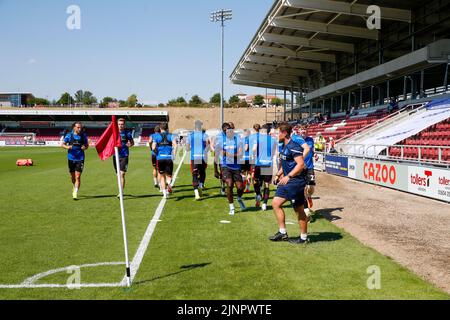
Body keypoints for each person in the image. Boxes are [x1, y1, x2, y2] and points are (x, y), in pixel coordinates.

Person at [270, 123, 309, 244]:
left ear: (285, 133)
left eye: (278, 133)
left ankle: (297, 236)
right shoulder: (284, 146)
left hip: (295, 182)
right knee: (282, 205)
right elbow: (287, 164)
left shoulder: (294, 146)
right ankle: (288, 234)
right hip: (288, 180)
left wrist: (289, 176)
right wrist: (278, 174)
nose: (276, 135)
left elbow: (300, 164)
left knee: (292, 208)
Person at [214, 122, 246, 215]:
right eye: (225, 130)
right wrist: (215, 170)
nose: (227, 131)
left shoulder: (237, 139)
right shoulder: (220, 140)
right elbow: (216, 156)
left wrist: (228, 154)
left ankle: (239, 198)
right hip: (225, 166)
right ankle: (231, 207)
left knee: (240, 187)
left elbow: (240, 154)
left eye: (229, 130)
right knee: (229, 183)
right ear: (223, 131)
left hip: (236, 167)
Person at [250, 124, 277, 211]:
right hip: (268, 164)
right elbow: (274, 153)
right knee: (266, 185)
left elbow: (254, 149)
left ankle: (258, 194)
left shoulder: (257, 139)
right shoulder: (273, 140)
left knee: (255, 180)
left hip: (259, 163)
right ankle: (264, 204)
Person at [61, 122, 89, 200]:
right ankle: (74, 186)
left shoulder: (83, 135)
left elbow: (87, 145)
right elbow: (62, 144)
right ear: (74, 127)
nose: (79, 129)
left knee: (78, 176)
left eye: (80, 127)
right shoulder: (69, 135)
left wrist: (85, 147)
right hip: (71, 158)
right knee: (72, 176)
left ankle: (75, 192)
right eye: (78, 127)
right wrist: (67, 147)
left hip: (80, 158)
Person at [294, 126, 317, 219]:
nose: (303, 131)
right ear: (299, 132)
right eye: (301, 130)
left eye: (304, 130)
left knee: (311, 187)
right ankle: (306, 211)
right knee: (303, 188)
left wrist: (315, 154)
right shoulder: (296, 141)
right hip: (301, 167)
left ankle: (309, 196)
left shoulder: (310, 140)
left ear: (306, 131)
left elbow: (312, 150)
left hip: (310, 167)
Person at [152, 123, 177, 199]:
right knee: (169, 175)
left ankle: (164, 193)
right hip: (169, 158)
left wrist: (157, 153)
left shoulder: (156, 136)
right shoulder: (171, 135)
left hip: (160, 158)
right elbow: (175, 145)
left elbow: (153, 147)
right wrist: (174, 154)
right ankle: (169, 184)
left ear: (160, 128)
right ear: (167, 128)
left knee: (162, 176)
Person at [186, 120, 210, 200]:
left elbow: (187, 148)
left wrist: (191, 148)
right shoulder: (204, 135)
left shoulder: (190, 135)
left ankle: (196, 193)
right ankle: (200, 185)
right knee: (202, 172)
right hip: (203, 157)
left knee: (194, 174)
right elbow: (207, 146)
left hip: (194, 157)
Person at [113, 118, 134, 196]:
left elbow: (132, 142)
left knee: (122, 174)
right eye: (119, 124)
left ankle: (121, 192)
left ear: (124, 125)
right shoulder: (114, 133)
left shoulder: (127, 133)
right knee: (118, 175)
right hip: (115, 156)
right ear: (117, 125)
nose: (120, 126)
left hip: (124, 155)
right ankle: (120, 190)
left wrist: (130, 144)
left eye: (122, 124)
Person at [241, 129, 252, 193]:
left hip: (244, 158)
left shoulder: (245, 139)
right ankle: (247, 188)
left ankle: (244, 184)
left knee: (243, 173)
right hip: (250, 158)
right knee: (249, 173)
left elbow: (245, 148)